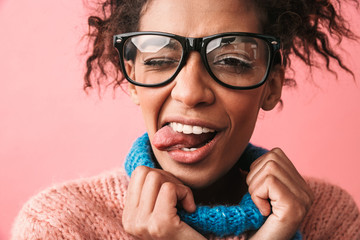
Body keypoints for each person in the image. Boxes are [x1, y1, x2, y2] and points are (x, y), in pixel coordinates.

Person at [11, 0, 360, 239]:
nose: (190, 93)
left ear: (271, 85)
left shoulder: (327, 217)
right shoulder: (58, 224)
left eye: (232, 60)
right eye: (160, 60)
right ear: (132, 79)